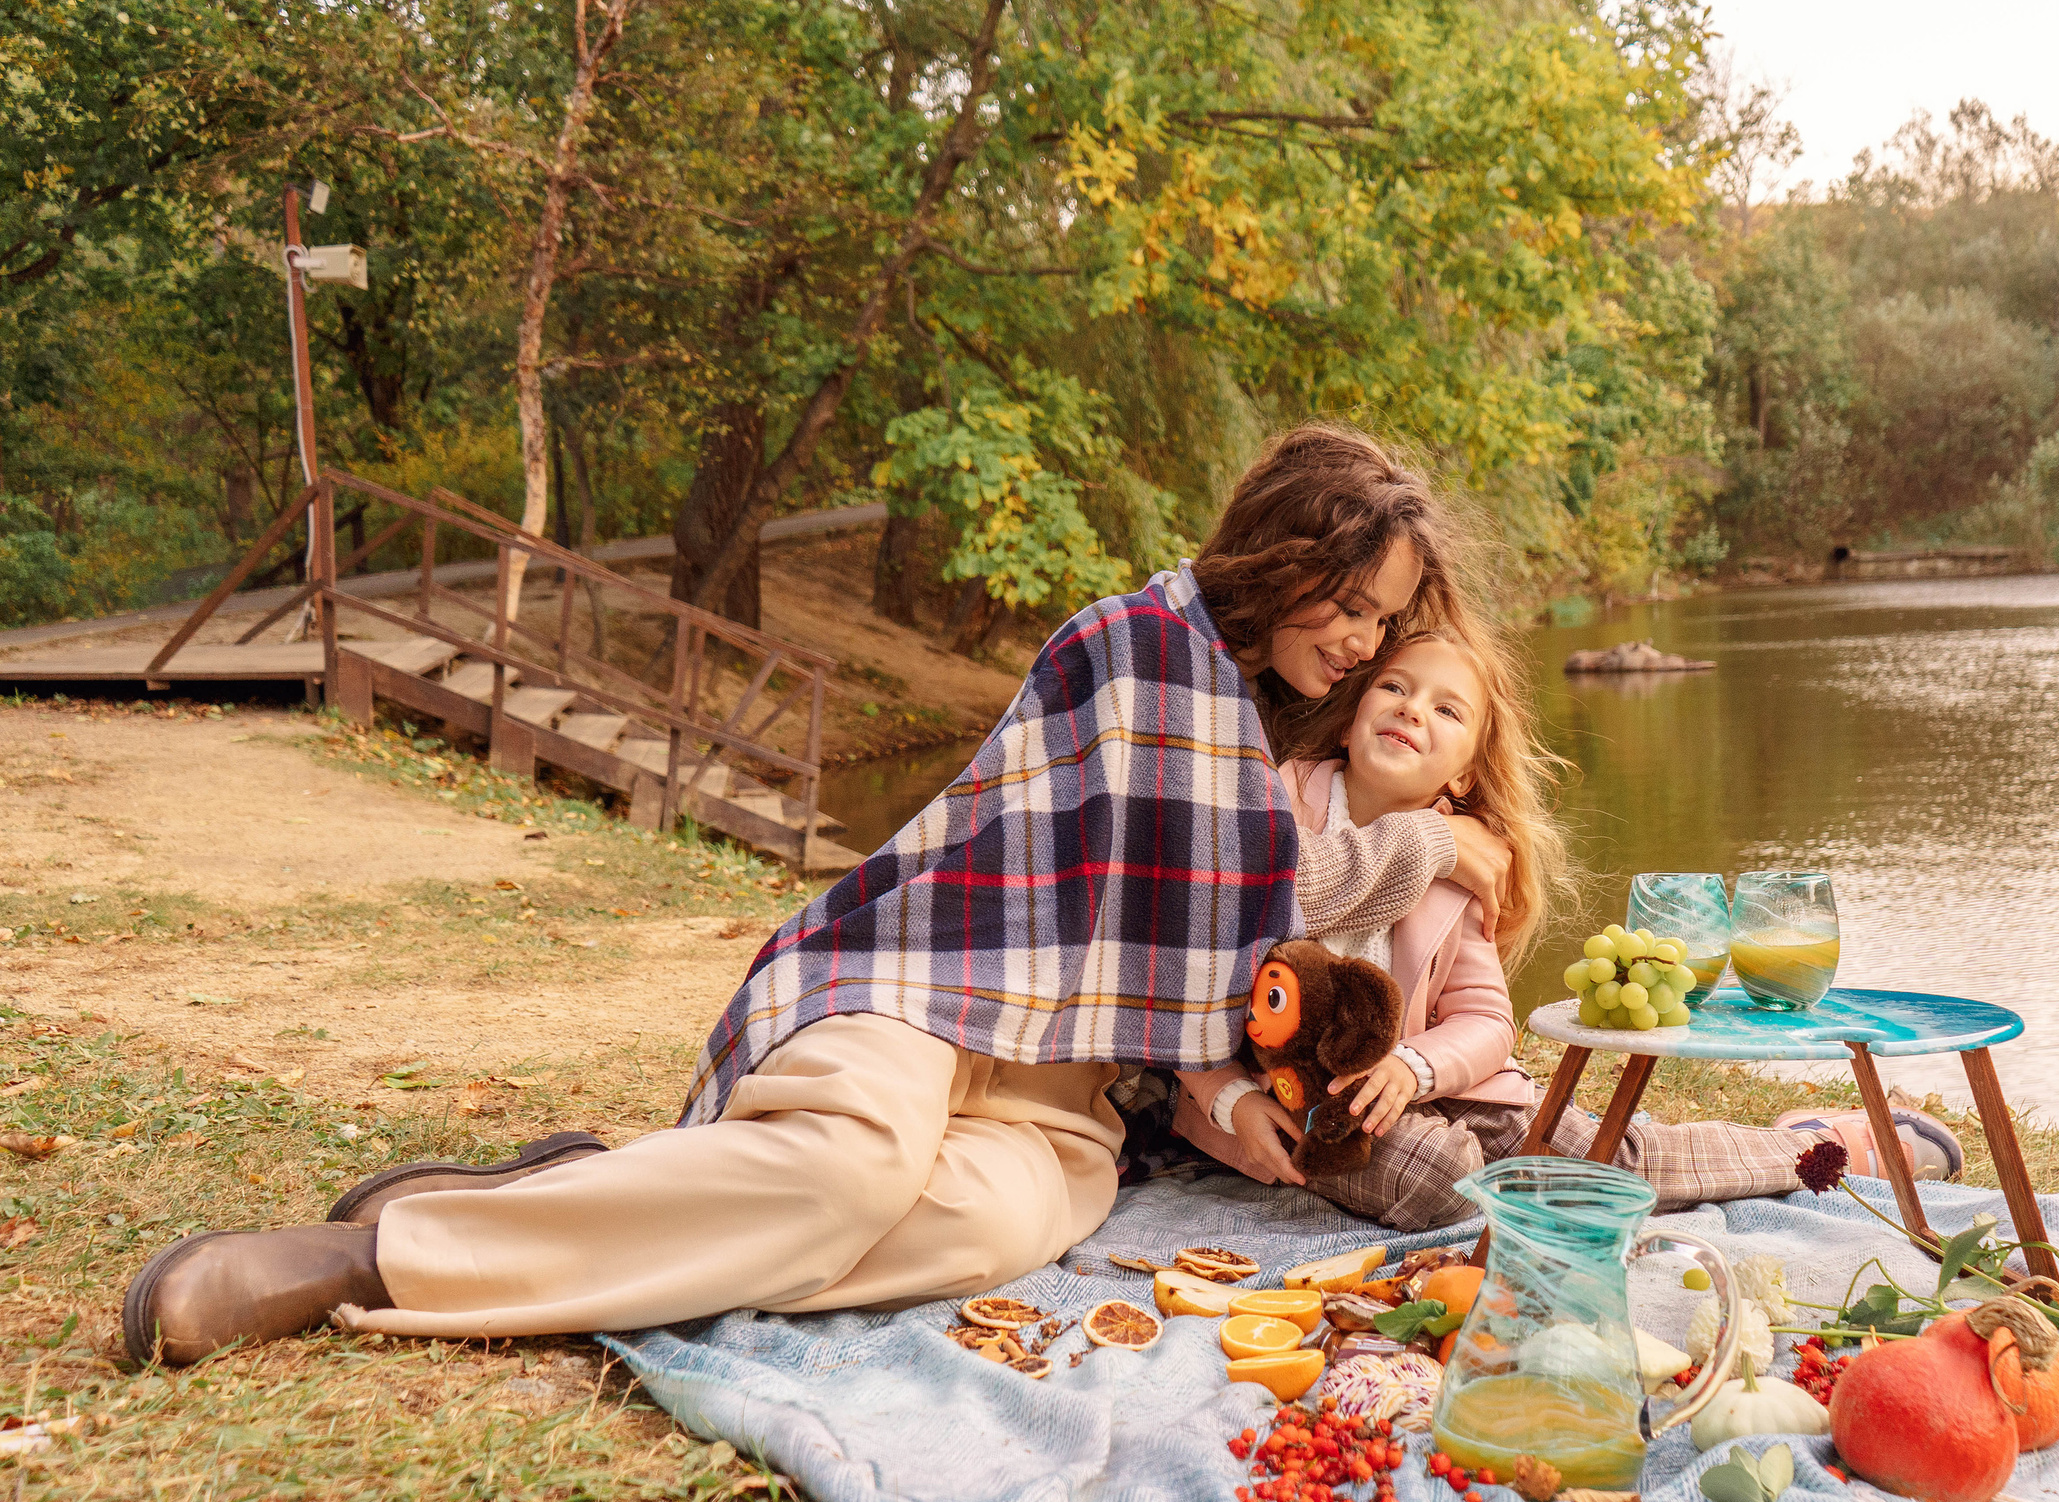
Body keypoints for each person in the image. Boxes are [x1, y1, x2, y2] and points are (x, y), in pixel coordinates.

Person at [123, 424, 1524, 1364]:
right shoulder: (1145, 644)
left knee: (987, 1226)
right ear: (1291, 556)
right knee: (850, 1166)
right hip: (928, 986)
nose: (1361, 641)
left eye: (1385, 621)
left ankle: (601, 1189)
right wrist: (1435, 852)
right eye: (1354, 603)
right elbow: (1244, 893)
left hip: (1064, 1089)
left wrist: (1223, 1095)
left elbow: (1212, 964)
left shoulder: (1275, 730)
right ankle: (377, 1255)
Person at [1171, 622, 1963, 1229]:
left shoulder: (1465, 862)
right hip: (1310, 1103)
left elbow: (1484, 1021)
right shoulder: (1284, 800)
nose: (1413, 710)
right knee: (1443, 1176)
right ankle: (1524, 1183)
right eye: (1395, 689)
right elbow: (1215, 938)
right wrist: (1226, 1095)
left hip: (1428, 1081)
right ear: (1349, 718)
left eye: (1446, 709)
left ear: (1465, 770)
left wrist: (1416, 1065)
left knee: (1611, 1156)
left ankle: (1824, 1145)